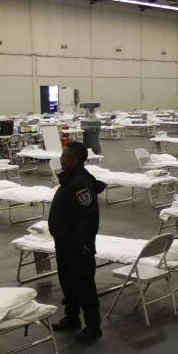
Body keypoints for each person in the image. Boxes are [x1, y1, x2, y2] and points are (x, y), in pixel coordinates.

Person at [49, 142, 107, 341]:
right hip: (65, 242)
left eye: (65, 156)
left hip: (78, 245)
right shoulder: (71, 179)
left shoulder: (80, 183)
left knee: (83, 283)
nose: (61, 159)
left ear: (75, 160)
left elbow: (89, 215)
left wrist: (82, 241)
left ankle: (93, 325)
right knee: (67, 281)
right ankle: (71, 317)